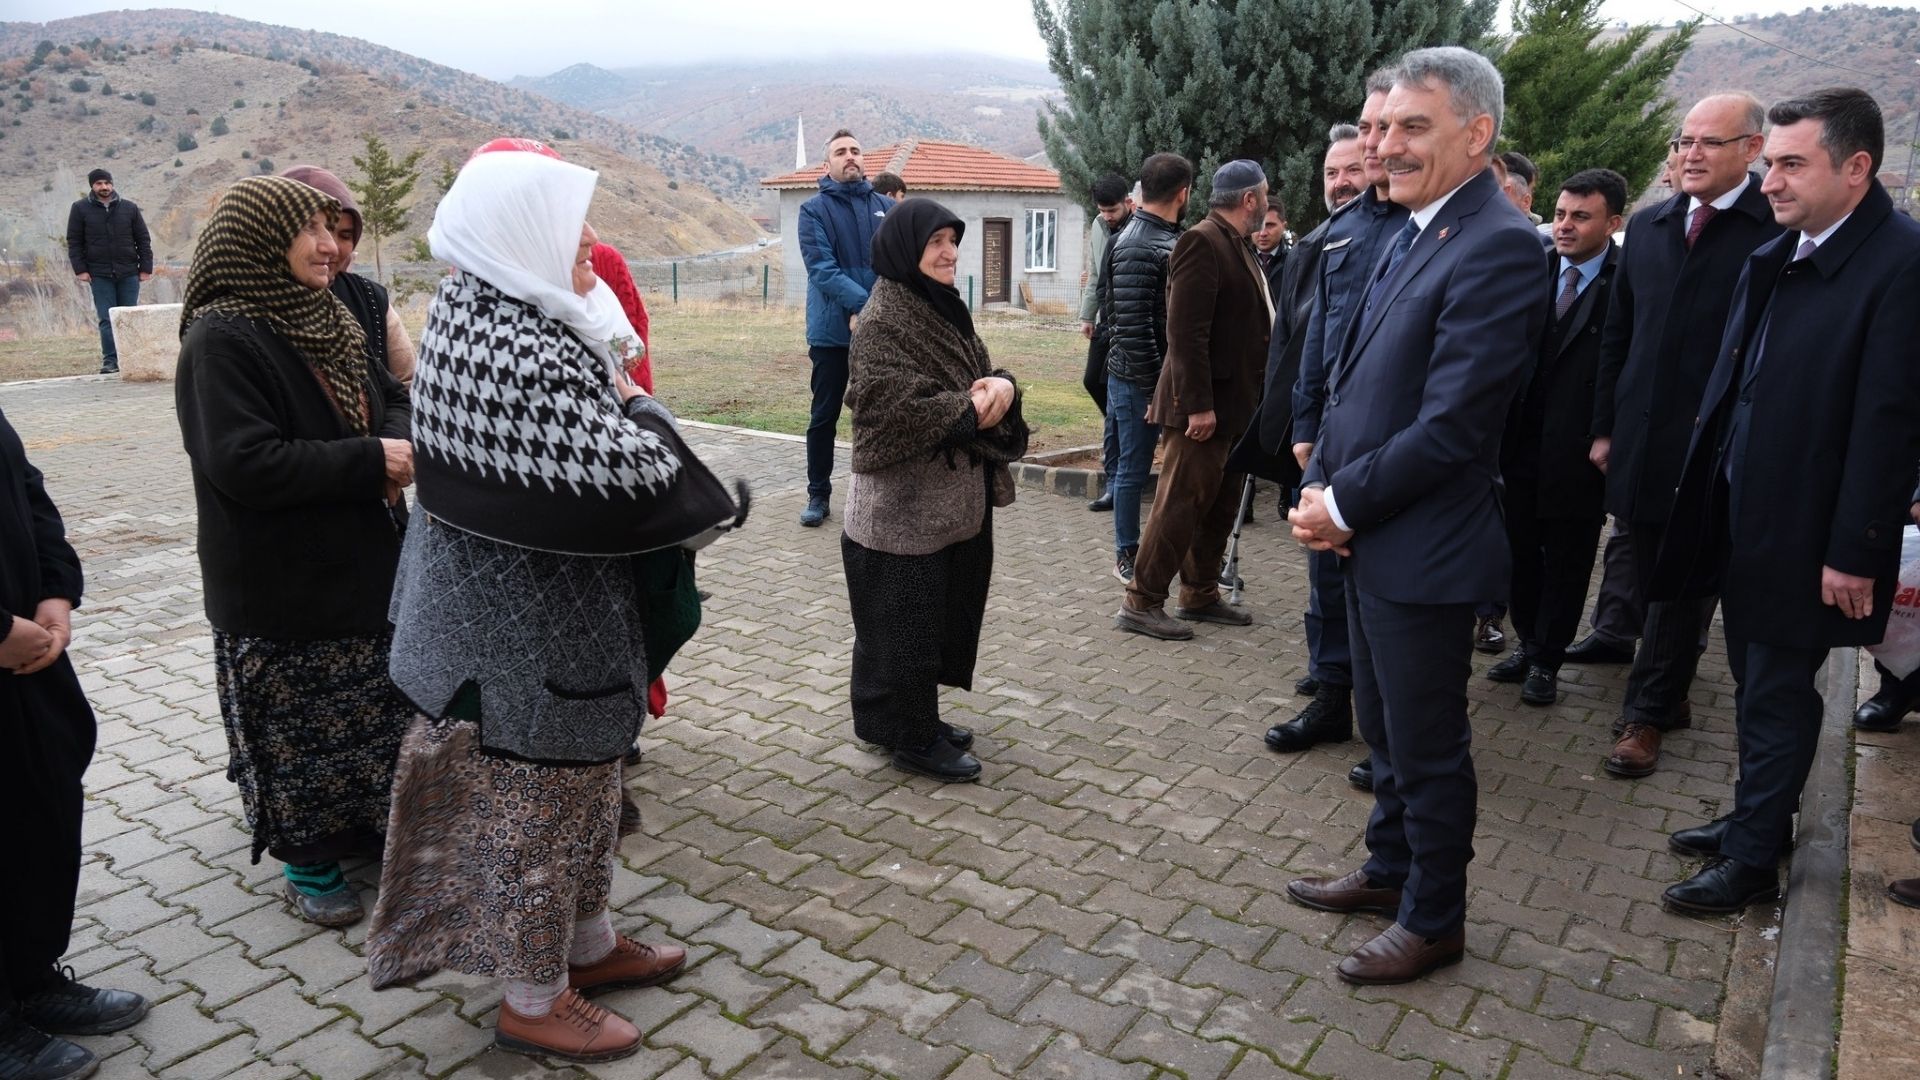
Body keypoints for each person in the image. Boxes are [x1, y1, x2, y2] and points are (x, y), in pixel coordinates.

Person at [367, 146, 742, 1062]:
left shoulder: (489, 308)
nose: (589, 250)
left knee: (585, 795)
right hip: (514, 642)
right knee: (538, 814)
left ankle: (589, 948)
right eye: (572, 233)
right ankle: (533, 999)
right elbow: (642, 473)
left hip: (543, 626)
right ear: (519, 234)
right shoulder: (510, 349)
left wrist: (622, 395)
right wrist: (640, 408)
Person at [1286, 47, 1547, 984]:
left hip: (1425, 545)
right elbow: (1364, 380)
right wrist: (1329, 488)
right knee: (1386, 729)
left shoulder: (1501, 245)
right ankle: (1390, 868)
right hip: (1368, 533)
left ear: (1477, 135)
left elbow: (1453, 427)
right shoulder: (1411, 225)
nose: (1386, 146)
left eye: (1412, 128)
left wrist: (1341, 501)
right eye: (1381, 127)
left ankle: (1435, 918)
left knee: (1429, 745)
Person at [1655, 88, 1920, 915]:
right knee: (1754, 683)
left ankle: (1752, 861)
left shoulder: (1899, 264)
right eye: (1769, 162)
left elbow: (1888, 422)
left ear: (1857, 167)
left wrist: (1857, 546)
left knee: (1775, 690)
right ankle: (1754, 817)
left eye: (1791, 164)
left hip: (1810, 531)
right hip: (1748, 512)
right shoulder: (1786, 249)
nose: (1770, 180)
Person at [173, 175, 416, 927]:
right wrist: (369, 460)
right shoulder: (222, 339)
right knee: (296, 732)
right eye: (308, 229)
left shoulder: (326, 317)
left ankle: (368, 830)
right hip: (281, 584)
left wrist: (395, 436)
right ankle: (307, 866)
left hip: (360, 566)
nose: (327, 244)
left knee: (371, 715)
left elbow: (393, 392)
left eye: (331, 228)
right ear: (257, 241)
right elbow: (243, 463)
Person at [1591, 93, 1781, 779]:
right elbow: (1619, 334)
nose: (1690, 154)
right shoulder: (1649, 226)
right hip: (1641, 437)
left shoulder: (1773, 229)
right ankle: (1667, 694)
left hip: (1716, 446)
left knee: (1682, 582)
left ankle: (1646, 713)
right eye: (1683, 142)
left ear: (1751, 151)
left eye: (1709, 142)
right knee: (1645, 569)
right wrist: (1604, 427)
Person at [840, 198, 1028, 783]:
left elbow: (979, 369)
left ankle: (899, 719)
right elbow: (882, 403)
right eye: (936, 243)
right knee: (904, 626)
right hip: (901, 508)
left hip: (943, 505)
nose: (949, 253)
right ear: (906, 250)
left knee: (930, 616)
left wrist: (1001, 386)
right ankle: (915, 738)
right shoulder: (882, 320)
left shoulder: (938, 306)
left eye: (953, 240)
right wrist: (973, 408)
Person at [0, 408, 150, 1080]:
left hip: (27, 649)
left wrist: (57, 589)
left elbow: (24, 485)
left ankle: (29, 979)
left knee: (37, 812)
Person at [1268, 72, 1408, 766]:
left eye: (1387, 133)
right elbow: (1314, 338)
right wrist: (1301, 426)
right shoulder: (1340, 233)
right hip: (1328, 432)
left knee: (1384, 587)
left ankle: (1389, 734)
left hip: (1398, 440)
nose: (1375, 151)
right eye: (1369, 131)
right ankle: (1330, 700)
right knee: (1324, 574)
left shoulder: (1423, 225)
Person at [1114, 160, 1272, 641]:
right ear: (1250, 200)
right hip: (1201, 408)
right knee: (1180, 503)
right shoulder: (1201, 241)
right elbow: (1185, 332)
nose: (1267, 203)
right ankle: (1141, 601)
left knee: (1220, 505)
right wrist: (1197, 405)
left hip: (1234, 406)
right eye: (1264, 195)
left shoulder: (1235, 243)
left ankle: (1199, 592)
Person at [1487, 169, 1626, 707]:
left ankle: (1548, 658)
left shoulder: (1626, 281)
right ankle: (1527, 643)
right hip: (1519, 441)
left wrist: (1607, 431)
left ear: (1612, 223)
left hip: (1581, 448)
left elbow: (1629, 364)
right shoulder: (1537, 269)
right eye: (1561, 214)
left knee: (1568, 559)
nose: (1564, 226)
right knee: (1520, 552)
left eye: (1580, 217)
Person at [1101, 153, 1191, 585]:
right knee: (1132, 472)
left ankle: (1165, 551)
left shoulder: (1160, 237)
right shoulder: (1141, 243)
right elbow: (1135, 328)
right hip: (1140, 379)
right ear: (1184, 193)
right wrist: (1161, 389)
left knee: (1140, 471)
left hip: (1143, 376)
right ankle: (1126, 552)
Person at [797, 129, 892, 528]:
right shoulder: (813, 211)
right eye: (841, 152)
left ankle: (885, 493)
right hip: (833, 334)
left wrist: (874, 314)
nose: (850, 156)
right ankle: (818, 494)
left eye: (855, 150)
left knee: (886, 413)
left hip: (884, 332)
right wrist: (863, 306)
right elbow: (823, 269)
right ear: (828, 164)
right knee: (825, 415)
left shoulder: (888, 207)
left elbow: (899, 265)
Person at [277, 165, 420, 387]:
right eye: (312, 229)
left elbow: (408, 384)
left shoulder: (368, 298)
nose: (331, 247)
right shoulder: (243, 317)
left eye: (344, 235)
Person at [1080, 173, 1134, 512]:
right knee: (1091, 380)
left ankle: (1115, 481)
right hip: (1105, 322)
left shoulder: (1138, 227)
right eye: (1102, 211)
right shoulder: (1100, 227)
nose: (1107, 216)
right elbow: (1095, 273)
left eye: (1112, 210)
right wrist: (1088, 316)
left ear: (1128, 202)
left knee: (1117, 405)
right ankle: (1124, 436)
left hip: (1129, 324)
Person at [66, 168, 152, 375]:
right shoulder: (79, 209)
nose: (103, 187)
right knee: (106, 318)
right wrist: (81, 269)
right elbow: (74, 242)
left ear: (112, 184)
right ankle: (111, 360)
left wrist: (145, 268)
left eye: (106, 183)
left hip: (129, 272)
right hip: (99, 273)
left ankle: (132, 359)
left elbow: (143, 239)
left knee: (128, 317)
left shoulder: (129, 208)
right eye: (98, 184)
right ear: (92, 186)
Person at [1253, 194, 1289, 295]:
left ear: (1284, 227)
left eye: (1270, 225)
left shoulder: (1295, 263)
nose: (1263, 233)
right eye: (1257, 225)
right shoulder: (1240, 262)